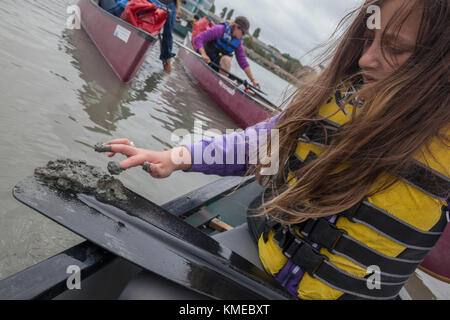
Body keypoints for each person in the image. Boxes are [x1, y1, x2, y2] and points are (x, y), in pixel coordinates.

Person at [100, 0, 449, 300]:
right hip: (265, 257)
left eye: (394, 48)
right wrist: (175, 157)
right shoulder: (336, 99)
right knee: (144, 294)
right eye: (368, 40)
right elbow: (260, 146)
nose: (365, 60)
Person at [194, 16, 261, 89]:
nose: (243, 35)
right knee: (226, 59)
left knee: (226, 60)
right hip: (204, 58)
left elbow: (243, 62)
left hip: (216, 65)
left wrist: (253, 80)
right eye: (243, 32)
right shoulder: (220, 29)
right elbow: (198, 39)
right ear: (236, 27)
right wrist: (203, 54)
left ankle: (221, 87)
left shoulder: (238, 43)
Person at [158, 0, 181, 73]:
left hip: (166, 4)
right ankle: (167, 64)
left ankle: (167, 64)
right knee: (168, 35)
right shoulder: (172, 7)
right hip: (167, 4)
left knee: (167, 35)